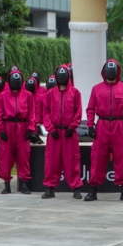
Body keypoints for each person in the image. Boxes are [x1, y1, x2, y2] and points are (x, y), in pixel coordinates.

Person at [85, 59, 123, 202]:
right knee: (97, 157)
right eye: (108, 70)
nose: (110, 73)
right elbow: (90, 109)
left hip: (119, 124)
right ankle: (93, 189)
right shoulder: (96, 89)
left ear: (117, 72)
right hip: (102, 124)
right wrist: (90, 125)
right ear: (104, 72)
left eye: (113, 70)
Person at [41, 65, 83, 199]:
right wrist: (50, 129)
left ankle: (76, 188)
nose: (61, 78)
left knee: (72, 161)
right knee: (52, 161)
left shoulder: (75, 93)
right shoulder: (50, 94)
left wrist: (72, 127)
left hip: (69, 133)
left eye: (63, 75)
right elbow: (46, 113)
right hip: (55, 134)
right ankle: (50, 188)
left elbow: (78, 112)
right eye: (59, 75)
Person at [0, 69, 38, 195]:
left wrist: (30, 129)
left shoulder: (28, 95)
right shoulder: (3, 96)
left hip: (22, 126)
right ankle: (6, 184)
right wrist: (1, 130)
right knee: (6, 156)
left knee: (23, 156)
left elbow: (32, 114)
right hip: (8, 127)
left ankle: (24, 184)